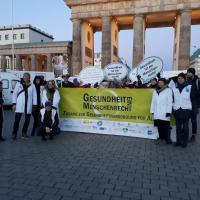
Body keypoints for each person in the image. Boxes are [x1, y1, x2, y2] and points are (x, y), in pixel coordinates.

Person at [172, 73, 196, 148]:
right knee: (178, 127)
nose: (180, 79)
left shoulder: (190, 87)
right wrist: (173, 109)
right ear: (177, 79)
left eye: (182, 78)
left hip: (186, 110)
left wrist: (194, 110)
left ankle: (184, 142)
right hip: (177, 109)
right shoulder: (174, 88)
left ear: (184, 79)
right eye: (179, 78)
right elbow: (172, 99)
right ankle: (178, 141)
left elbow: (193, 99)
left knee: (185, 126)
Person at [12, 73, 37, 140]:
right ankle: (14, 133)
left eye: (27, 77)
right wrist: (14, 103)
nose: (25, 78)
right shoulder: (18, 84)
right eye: (24, 77)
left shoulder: (32, 85)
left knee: (27, 120)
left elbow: (34, 96)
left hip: (28, 105)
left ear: (29, 78)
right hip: (19, 105)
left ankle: (24, 133)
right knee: (17, 120)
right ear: (23, 77)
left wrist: (34, 105)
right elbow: (14, 94)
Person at [150, 78, 173, 144]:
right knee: (159, 125)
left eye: (161, 82)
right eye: (159, 82)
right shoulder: (155, 90)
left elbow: (170, 101)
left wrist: (168, 111)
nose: (160, 83)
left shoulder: (168, 90)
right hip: (157, 111)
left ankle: (166, 139)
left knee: (165, 126)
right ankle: (161, 137)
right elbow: (153, 101)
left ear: (164, 83)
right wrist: (152, 110)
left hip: (164, 111)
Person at [186, 68, 200, 141]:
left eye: (189, 72)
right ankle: (185, 133)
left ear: (192, 73)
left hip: (194, 104)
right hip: (187, 103)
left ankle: (193, 135)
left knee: (193, 120)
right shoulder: (187, 80)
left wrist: (198, 106)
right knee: (186, 119)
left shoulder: (197, 81)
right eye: (187, 72)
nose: (187, 73)